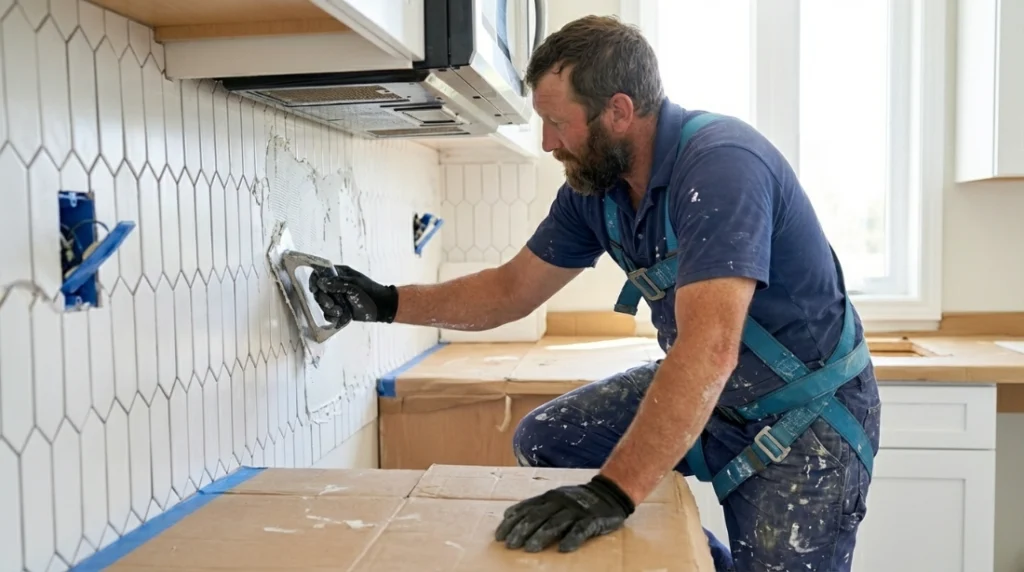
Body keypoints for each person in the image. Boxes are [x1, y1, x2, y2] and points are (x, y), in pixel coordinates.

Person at [307, 14, 882, 572]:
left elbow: (709, 348)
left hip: (807, 417)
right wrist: (386, 302)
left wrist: (614, 492)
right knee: (550, 443)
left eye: (558, 122)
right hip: (718, 393)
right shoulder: (596, 188)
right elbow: (509, 291)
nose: (547, 142)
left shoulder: (722, 167)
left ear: (619, 111)